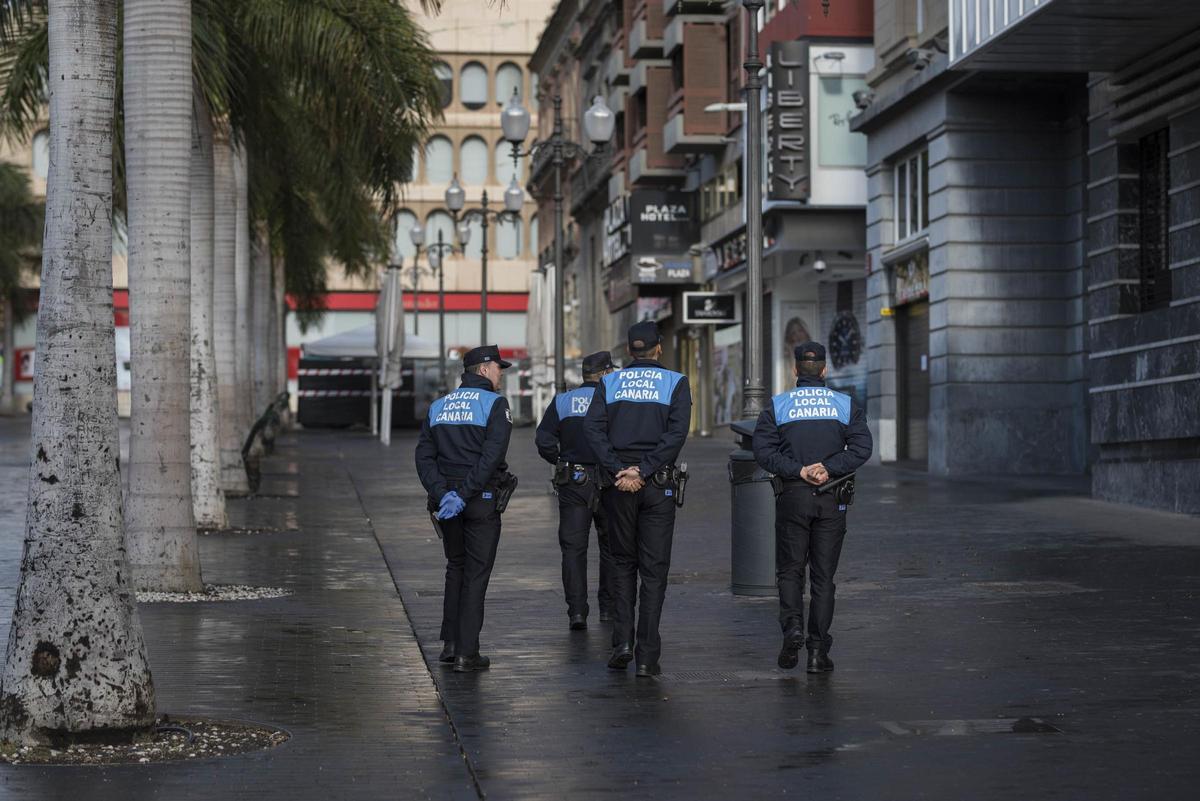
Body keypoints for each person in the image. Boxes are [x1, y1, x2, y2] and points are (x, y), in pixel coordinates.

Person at [753, 341, 872, 673]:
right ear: (824, 370)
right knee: (823, 577)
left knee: (790, 571)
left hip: (793, 496)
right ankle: (818, 653)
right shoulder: (844, 404)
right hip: (832, 497)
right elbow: (863, 447)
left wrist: (799, 470)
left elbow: (763, 451)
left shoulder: (778, 406)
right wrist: (829, 467)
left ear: (795, 370)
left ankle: (792, 628)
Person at [584, 321, 691, 677]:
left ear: (630, 351)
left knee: (620, 564)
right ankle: (647, 657)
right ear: (659, 348)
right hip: (657, 485)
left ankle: (622, 643)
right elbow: (675, 436)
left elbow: (593, 431)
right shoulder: (675, 382)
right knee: (654, 570)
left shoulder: (609, 383)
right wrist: (643, 470)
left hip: (617, 487)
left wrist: (619, 469)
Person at [415, 345, 515, 673]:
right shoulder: (495, 405)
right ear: (484, 369)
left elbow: (424, 457)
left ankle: (449, 645)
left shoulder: (438, 406)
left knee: (455, 567)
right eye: (499, 368)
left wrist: (443, 493)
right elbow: (492, 457)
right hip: (479, 501)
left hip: (447, 507)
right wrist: (465, 492)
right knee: (475, 574)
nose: (501, 373)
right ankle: (467, 652)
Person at [535, 351, 618, 631]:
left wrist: (559, 460)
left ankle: (577, 612)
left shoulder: (563, 401)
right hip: (609, 480)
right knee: (611, 547)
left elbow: (544, 440)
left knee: (573, 549)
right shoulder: (613, 399)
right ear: (605, 374)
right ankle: (608, 607)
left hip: (574, 480)